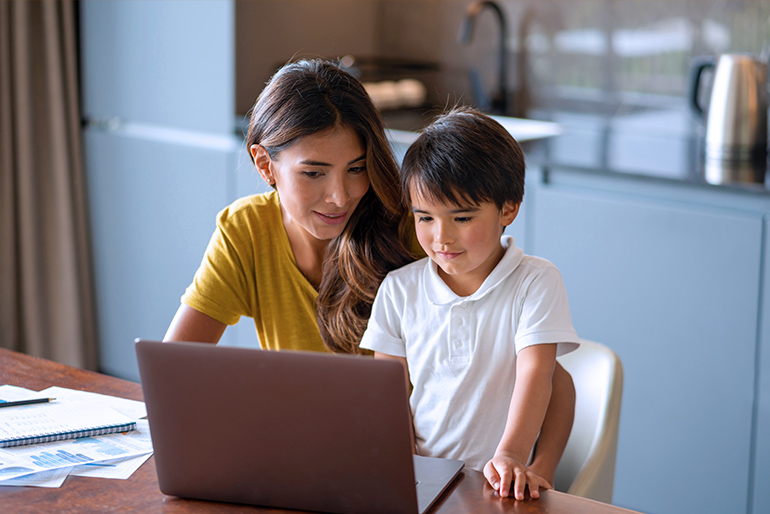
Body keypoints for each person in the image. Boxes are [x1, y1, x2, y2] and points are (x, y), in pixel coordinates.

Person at [359, 107, 580, 500]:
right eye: (424, 218)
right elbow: (387, 396)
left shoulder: (535, 282)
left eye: (461, 218)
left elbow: (540, 377)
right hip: (421, 481)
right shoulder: (398, 291)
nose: (441, 237)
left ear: (508, 208)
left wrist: (524, 462)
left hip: (500, 488)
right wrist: (404, 469)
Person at [164, 59, 415, 352]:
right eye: (313, 173)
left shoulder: (416, 227)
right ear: (265, 165)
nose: (340, 197)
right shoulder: (246, 230)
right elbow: (174, 364)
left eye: (356, 169)